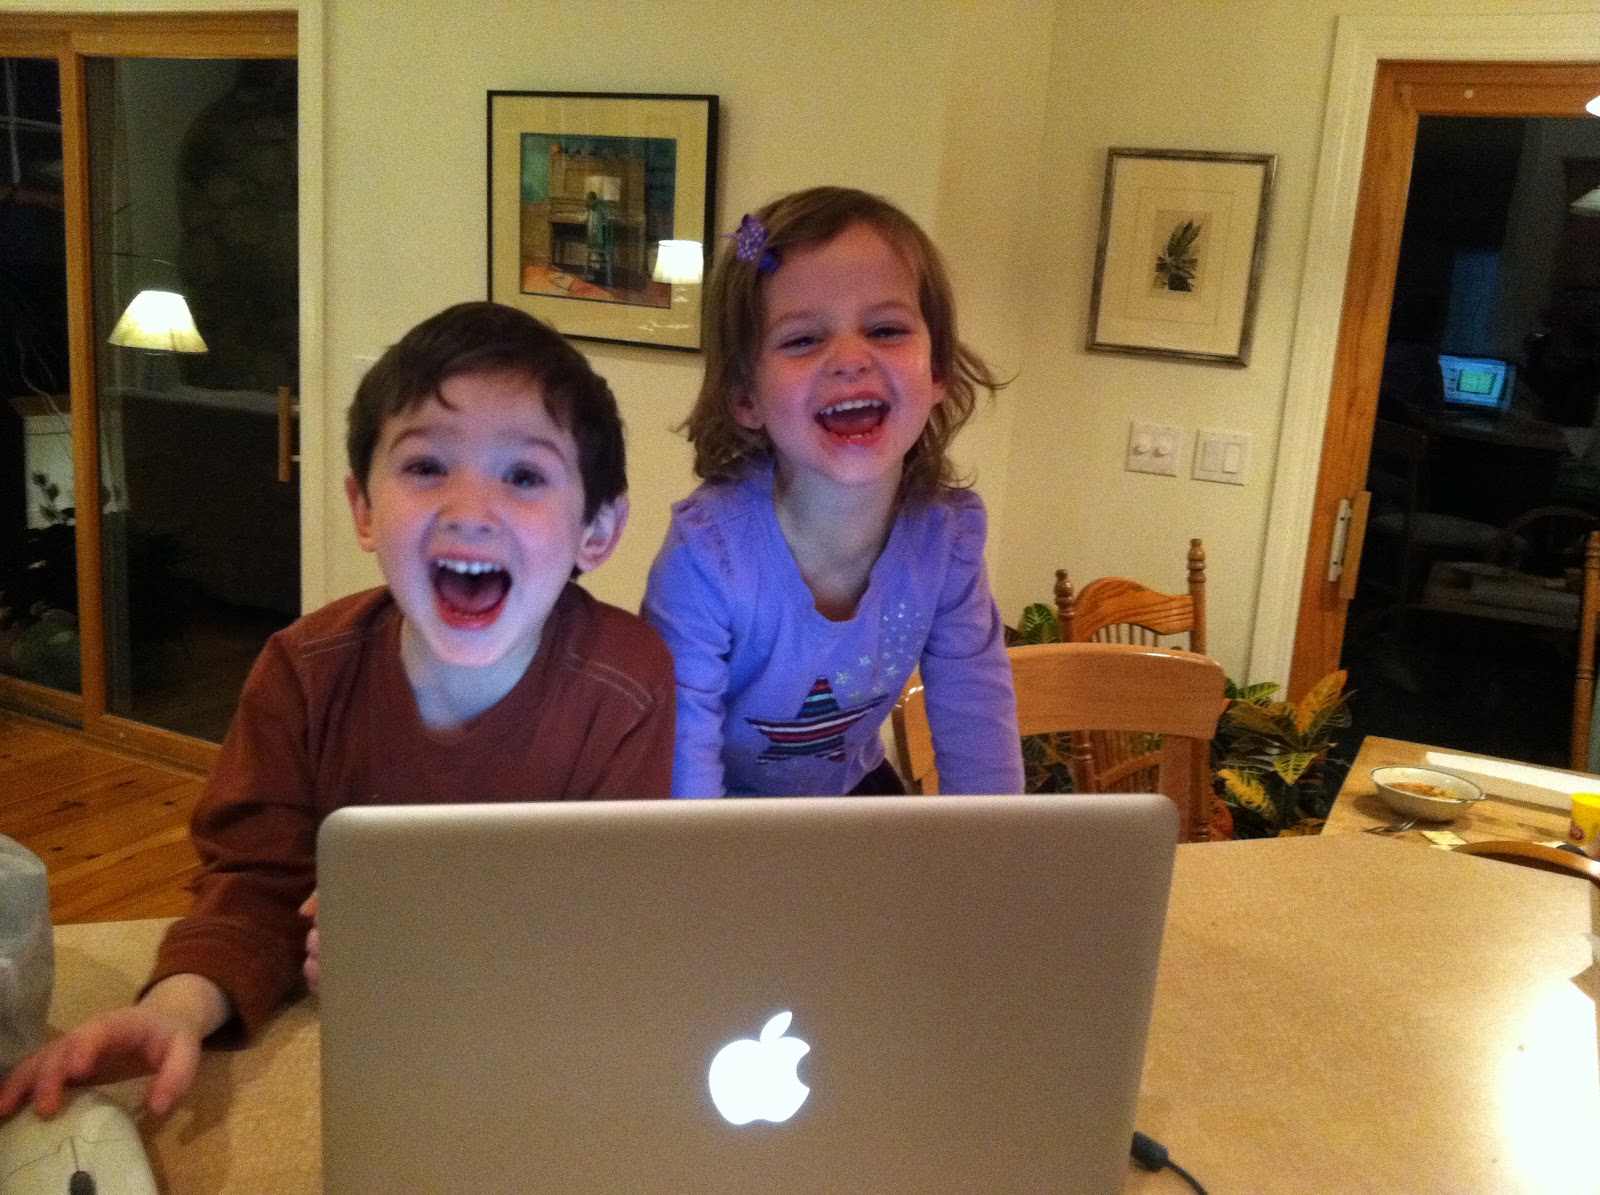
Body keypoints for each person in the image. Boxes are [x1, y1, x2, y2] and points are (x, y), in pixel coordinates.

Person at [0, 301, 675, 1116]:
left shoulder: (627, 684)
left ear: (597, 530)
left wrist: (437, 946)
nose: (470, 510)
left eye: (524, 476)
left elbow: (608, 918)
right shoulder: (302, 673)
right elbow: (255, 885)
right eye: (426, 466)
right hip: (359, 1057)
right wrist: (174, 1007)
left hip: (539, 1058)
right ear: (362, 509)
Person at [642, 186, 1023, 798]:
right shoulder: (707, 556)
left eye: (886, 329)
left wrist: (996, 848)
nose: (850, 358)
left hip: (852, 790)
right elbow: (681, 757)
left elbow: (977, 719)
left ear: (938, 373)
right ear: (744, 396)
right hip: (723, 808)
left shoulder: (946, 540)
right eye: (802, 339)